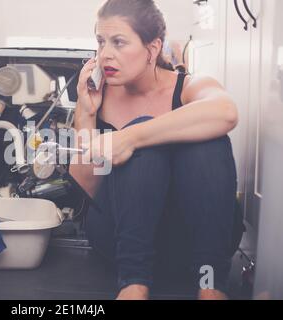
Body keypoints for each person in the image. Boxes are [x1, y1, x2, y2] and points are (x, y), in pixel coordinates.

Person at [69, 0, 239, 300]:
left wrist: (131, 137)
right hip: (122, 241)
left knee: (207, 139)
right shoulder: (99, 97)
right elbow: (89, 188)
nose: (105, 53)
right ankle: (133, 286)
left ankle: (210, 285)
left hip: (186, 240)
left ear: (152, 48)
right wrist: (86, 112)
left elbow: (226, 112)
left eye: (119, 42)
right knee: (146, 136)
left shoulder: (188, 87)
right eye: (100, 41)